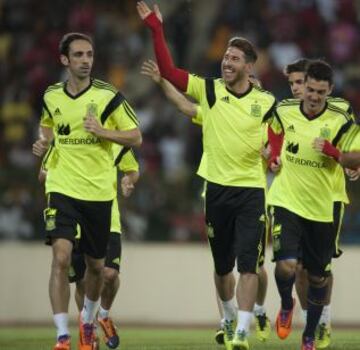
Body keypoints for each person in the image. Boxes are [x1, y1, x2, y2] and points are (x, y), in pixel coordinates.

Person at [137, 3, 276, 349]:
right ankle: (229, 318)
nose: (226, 63)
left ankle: (241, 332)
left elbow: (280, 138)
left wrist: (272, 154)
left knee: (248, 265)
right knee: (221, 268)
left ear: (249, 65)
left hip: (251, 192)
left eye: (234, 59)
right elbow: (170, 71)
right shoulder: (210, 91)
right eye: (225, 58)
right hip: (215, 190)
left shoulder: (268, 102)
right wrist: (156, 29)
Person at [32, 32, 142, 350]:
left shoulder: (108, 96)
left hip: (98, 195)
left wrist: (102, 131)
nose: (85, 60)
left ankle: (89, 321)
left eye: (89, 55)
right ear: (65, 60)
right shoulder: (52, 95)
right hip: (62, 188)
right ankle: (62, 336)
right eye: (78, 55)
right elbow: (48, 126)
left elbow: (136, 137)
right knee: (61, 257)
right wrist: (45, 143)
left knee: (97, 269)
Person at [267, 60, 353, 350]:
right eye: (310, 89)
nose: (313, 96)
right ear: (303, 86)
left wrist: (334, 152)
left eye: (320, 91)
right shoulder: (284, 109)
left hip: (322, 207)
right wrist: (274, 156)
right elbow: (274, 130)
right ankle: (285, 303)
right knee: (287, 265)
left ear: (330, 91)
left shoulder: (341, 119)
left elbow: (354, 158)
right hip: (286, 200)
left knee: (317, 276)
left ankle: (311, 333)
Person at [70, 147, 140, 350]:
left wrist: (129, 180)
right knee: (83, 282)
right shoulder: (72, 136)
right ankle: (88, 328)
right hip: (76, 221)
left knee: (109, 274)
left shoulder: (115, 139)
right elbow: (48, 169)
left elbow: (132, 169)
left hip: (108, 220)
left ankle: (103, 316)